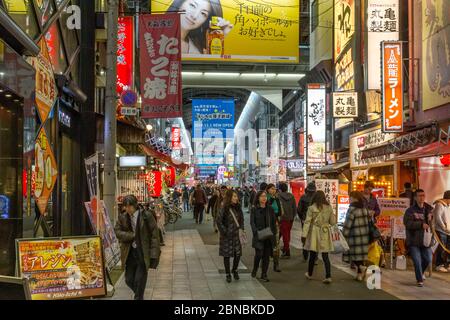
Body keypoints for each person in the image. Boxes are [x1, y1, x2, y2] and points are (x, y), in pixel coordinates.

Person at [114, 195, 161, 300]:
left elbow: (155, 235)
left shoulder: (146, 216)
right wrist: (131, 235)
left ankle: (138, 297)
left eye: (130, 206)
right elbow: (117, 232)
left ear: (135, 205)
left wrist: (154, 254)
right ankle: (139, 295)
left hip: (142, 253)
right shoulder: (123, 217)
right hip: (129, 253)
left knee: (139, 280)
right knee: (128, 279)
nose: (128, 209)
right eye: (126, 206)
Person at [167, 0, 233, 54]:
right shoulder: (158, 36)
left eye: (203, 13)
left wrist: (220, 36)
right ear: (180, 3)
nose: (194, 16)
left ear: (206, 21)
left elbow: (209, 67)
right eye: (192, 5)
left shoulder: (198, 49)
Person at [302, 191, 336, 284]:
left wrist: (304, 235)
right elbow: (333, 222)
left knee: (313, 254)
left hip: (314, 232)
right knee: (325, 255)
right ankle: (328, 276)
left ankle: (309, 273)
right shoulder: (329, 207)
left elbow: (307, 222)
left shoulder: (311, 208)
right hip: (325, 232)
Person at [404, 189, 434, 286]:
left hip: (426, 240)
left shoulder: (429, 209)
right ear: (415, 198)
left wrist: (431, 218)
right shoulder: (410, 211)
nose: (422, 197)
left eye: (423, 195)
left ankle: (420, 272)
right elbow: (408, 224)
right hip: (413, 240)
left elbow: (433, 222)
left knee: (428, 259)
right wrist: (421, 225)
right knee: (417, 260)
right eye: (420, 196)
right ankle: (419, 280)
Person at [216, 189, 245, 283]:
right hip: (227, 236)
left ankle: (235, 270)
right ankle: (228, 273)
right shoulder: (224, 208)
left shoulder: (238, 207)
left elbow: (241, 220)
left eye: (236, 196)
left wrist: (242, 229)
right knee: (227, 255)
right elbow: (219, 221)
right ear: (229, 197)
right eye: (234, 196)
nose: (236, 198)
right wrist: (225, 232)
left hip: (237, 235)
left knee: (238, 254)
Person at [343, 191, 370, 282]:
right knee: (360, 256)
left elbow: (347, 224)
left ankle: (362, 268)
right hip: (364, 235)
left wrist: (343, 235)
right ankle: (359, 275)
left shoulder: (352, 209)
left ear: (355, 198)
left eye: (350, 197)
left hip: (354, 237)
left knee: (353, 255)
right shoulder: (364, 209)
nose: (349, 199)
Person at [250, 190, 276, 282]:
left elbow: (273, 223)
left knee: (266, 256)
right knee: (259, 254)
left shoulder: (270, 209)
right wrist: (255, 232)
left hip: (268, 235)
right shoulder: (254, 209)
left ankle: (264, 274)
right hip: (259, 235)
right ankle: (255, 268)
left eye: (265, 196)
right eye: (262, 196)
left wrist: (274, 235)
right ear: (258, 198)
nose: (264, 198)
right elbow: (252, 222)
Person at [297, 182, 316, 261]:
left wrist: (302, 217)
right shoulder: (316, 198)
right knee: (314, 237)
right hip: (315, 220)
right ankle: (314, 257)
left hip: (305, 220)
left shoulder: (303, 197)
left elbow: (299, 210)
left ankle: (305, 254)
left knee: (305, 236)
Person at [278, 182, 297, 258]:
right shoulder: (291, 196)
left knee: (284, 234)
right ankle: (285, 249)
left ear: (280, 189)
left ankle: (286, 250)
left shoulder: (278, 196)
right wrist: (293, 216)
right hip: (290, 218)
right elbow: (294, 207)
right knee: (287, 234)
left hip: (282, 218)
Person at [266, 184, 282, 272]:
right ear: (268, 190)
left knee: (276, 244)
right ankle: (264, 261)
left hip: (275, 224)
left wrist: (279, 218)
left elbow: (279, 211)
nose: (274, 190)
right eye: (272, 189)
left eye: (274, 189)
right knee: (266, 243)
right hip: (267, 224)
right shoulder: (265, 198)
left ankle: (276, 264)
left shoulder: (277, 199)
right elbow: (266, 208)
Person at [433, 191, 450, 272]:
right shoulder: (439, 205)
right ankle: (438, 264)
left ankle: (447, 264)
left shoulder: (448, 206)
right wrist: (444, 227)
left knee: (448, 248)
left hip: (448, 231)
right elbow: (438, 217)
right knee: (441, 248)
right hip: (441, 231)